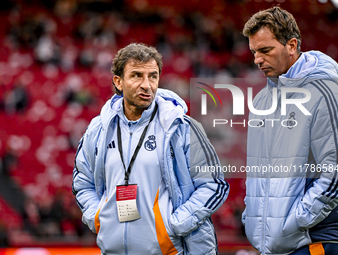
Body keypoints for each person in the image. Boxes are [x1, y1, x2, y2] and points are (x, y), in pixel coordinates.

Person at [72, 43, 229, 255]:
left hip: (168, 250)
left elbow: (214, 185)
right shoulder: (98, 129)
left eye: (153, 76)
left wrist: (174, 225)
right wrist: (98, 217)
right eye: (136, 75)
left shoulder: (180, 127)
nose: (147, 85)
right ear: (118, 82)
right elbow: (83, 183)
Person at [242, 6, 338, 255]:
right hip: (276, 245)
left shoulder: (324, 91)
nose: (257, 60)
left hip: (314, 241)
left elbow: (335, 173)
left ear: (292, 45)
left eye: (265, 50)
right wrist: (253, 217)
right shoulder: (263, 101)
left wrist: (295, 222)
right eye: (254, 52)